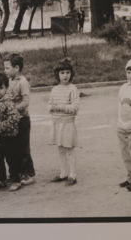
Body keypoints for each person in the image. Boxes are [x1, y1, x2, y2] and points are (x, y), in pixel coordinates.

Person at [4, 53, 36, 185]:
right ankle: (17, 172)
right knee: (14, 148)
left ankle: (29, 174)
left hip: (22, 119)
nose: (5, 71)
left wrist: (13, 109)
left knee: (23, 148)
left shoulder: (23, 82)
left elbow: (26, 101)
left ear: (16, 68)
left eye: (7, 68)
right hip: (12, 120)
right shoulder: (9, 81)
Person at [48, 58, 80, 186]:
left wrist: (59, 107)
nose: (65, 75)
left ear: (71, 74)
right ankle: (63, 173)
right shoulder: (54, 89)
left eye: (67, 72)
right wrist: (52, 107)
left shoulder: (73, 89)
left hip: (67, 123)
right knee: (60, 148)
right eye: (62, 73)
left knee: (69, 149)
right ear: (57, 75)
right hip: (57, 123)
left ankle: (72, 175)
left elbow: (75, 108)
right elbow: (49, 106)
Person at [0, 72, 22, 192]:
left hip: (10, 136)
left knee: (11, 159)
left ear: (6, 88)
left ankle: (16, 180)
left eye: (1, 88)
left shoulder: (8, 102)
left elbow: (14, 118)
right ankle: (2, 179)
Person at [117, 58, 131, 192]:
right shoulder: (123, 87)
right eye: (129, 72)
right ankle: (130, 177)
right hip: (122, 126)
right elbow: (120, 106)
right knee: (125, 154)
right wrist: (119, 123)